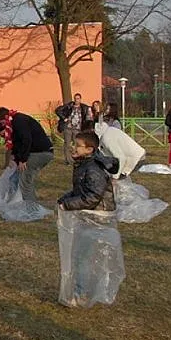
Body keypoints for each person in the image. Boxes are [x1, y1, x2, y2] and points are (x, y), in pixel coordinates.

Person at [57, 131, 122, 307]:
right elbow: (81, 191)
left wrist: (68, 205)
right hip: (91, 215)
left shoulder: (93, 168)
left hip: (97, 216)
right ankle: (82, 290)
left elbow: (93, 196)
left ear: (89, 149)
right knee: (81, 255)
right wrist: (65, 199)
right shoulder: (84, 165)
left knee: (82, 256)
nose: (73, 147)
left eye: (78, 145)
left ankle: (81, 294)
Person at [0, 107, 54, 204]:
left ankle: (31, 209)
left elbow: (26, 140)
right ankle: (11, 202)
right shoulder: (15, 123)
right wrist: (15, 159)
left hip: (40, 153)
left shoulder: (19, 121)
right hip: (34, 152)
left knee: (25, 181)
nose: (3, 137)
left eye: (3, 135)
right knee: (14, 178)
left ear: (3, 122)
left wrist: (22, 160)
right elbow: (17, 143)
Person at [55, 93, 92, 164]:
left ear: (80, 99)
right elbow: (58, 110)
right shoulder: (69, 106)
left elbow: (88, 118)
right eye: (75, 98)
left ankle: (75, 158)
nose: (76, 100)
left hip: (77, 129)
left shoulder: (84, 107)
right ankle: (68, 160)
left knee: (76, 144)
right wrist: (64, 118)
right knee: (67, 144)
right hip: (68, 128)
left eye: (78, 99)